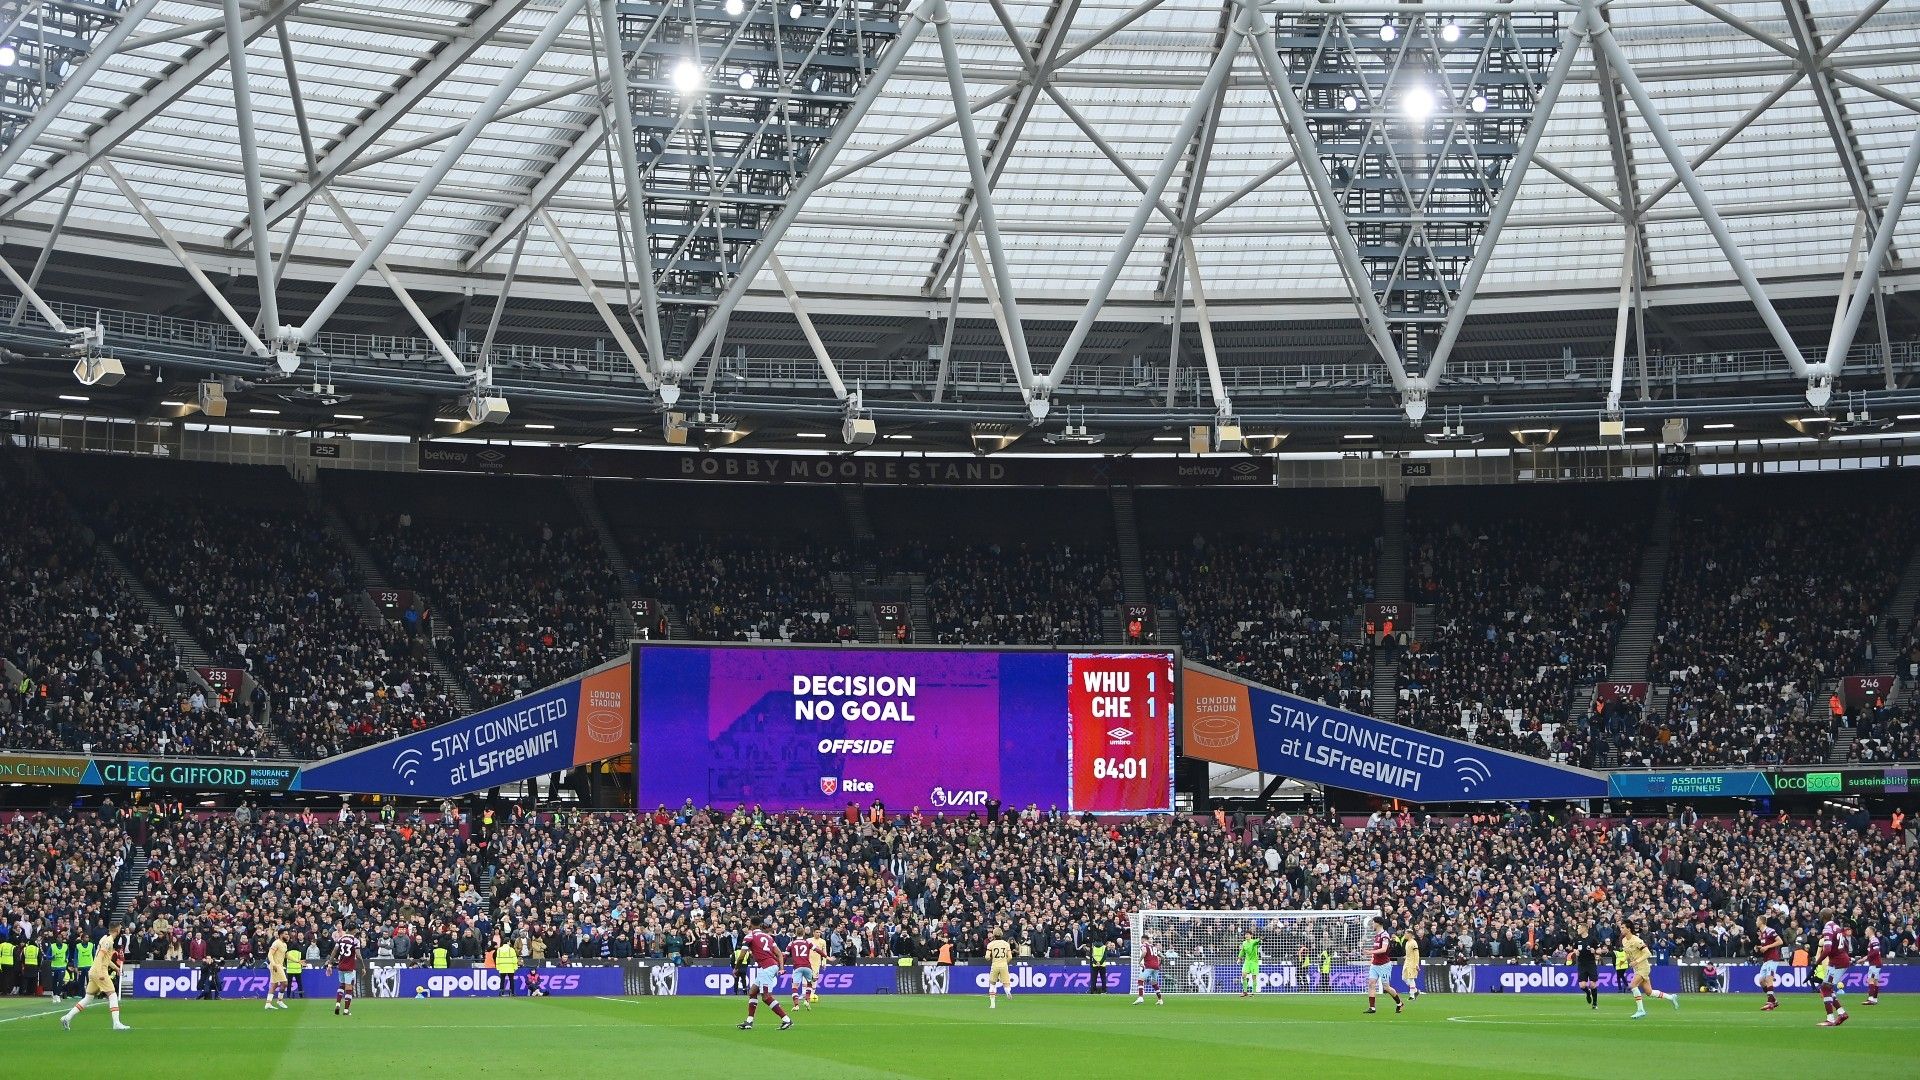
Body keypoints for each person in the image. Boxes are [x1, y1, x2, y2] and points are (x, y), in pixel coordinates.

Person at [60, 923, 130, 1032]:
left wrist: (115, 968)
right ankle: (116, 1023)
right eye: (120, 929)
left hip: (93, 971)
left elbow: (104, 958)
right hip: (99, 971)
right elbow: (99, 958)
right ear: (117, 930)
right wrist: (101, 973)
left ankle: (67, 1017)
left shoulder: (104, 939)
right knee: (112, 995)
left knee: (88, 998)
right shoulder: (109, 941)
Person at [737, 918, 791, 1031]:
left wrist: (736, 968)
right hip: (769, 967)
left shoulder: (749, 936)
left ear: (750, 924)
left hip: (767, 968)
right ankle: (749, 1021)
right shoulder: (768, 936)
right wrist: (781, 968)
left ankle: (786, 1019)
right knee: (752, 992)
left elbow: (742, 956)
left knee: (766, 997)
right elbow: (779, 954)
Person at [1619, 920, 1677, 1019]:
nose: (1621, 929)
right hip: (1636, 968)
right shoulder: (1624, 940)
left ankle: (1641, 1010)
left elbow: (1648, 953)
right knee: (1649, 992)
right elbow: (1628, 953)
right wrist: (1623, 960)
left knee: (1633, 986)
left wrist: (1636, 961)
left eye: (1623, 927)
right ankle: (1671, 997)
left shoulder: (1637, 940)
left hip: (1643, 967)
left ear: (1628, 929)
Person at [1812, 917, 1852, 1028]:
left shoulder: (1828, 928)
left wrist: (1818, 962)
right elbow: (1845, 944)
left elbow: (1827, 949)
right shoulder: (1837, 926)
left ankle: (1830, 1018)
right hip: (1839, 960)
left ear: (1823, 917)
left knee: (1825, 988)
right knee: (1827, 988)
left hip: (1837, 962)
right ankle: (1842, 1013)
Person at [1365, 916, 1403, 1015]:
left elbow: (1384, 949)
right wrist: (1372, 958)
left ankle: (1399, 1003)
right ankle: (1372, 1007)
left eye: (1373, 923)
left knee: (1386, 987)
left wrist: (1370, 952)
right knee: (1371, 983)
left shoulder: (1385, 935)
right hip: (1375, 964)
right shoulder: (1376, 935)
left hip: (1384, 965)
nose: (1372, 925)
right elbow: (1376, 950)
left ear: (1378, 923)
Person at [1753, 915, 1784, 1012]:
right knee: (1761, 981)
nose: (1756, 922)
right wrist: (1759, 947)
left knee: (1768, 979)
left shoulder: (1770, 931)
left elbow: (1780, 941)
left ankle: (1769, 1003)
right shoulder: (1762, 934)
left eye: (1757, 920)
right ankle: (1774, 1000)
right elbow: (1766, 947)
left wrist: (1767, 947)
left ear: (1761, 922)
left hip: (1773, 959)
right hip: (1766, 960)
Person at [329, 927, 360, 1017]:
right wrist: (362, 965)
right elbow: (358, 955)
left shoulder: (340, 938)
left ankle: (338, 1004)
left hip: (341, 966)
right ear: (353, 930)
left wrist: (330, 963)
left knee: (341, 985)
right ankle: (346, 1010)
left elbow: (334, 951)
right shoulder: (355, 940)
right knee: (349, 988)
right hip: (350, 967)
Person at [985, 929, 1013, 1009]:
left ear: (993, 935)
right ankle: (1007, 992)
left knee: (992, 984)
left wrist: (989, 958)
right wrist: (1005, 962)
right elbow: (1010, 957)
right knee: (1006, 983)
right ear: (1002, 934)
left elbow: (987, 957)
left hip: (995, 964)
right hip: (1004, 964)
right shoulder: (1006, 944)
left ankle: (992, 1004)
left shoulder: (990, 944)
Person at [1132, 933, 1163, 1006]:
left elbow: (1144, 952)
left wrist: (1139, 961)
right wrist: (1158, 964)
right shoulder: (1153, 947)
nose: (1140, 941)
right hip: (1156, 967)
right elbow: (1162, 956)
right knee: (1154, 983)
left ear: (1143, 939)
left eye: (1141, 939)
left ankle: (1140, 997)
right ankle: (1160, 1000)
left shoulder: (1143, 945)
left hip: (1149, 966)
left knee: (1140, 979)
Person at [787, 933, 815, 1011]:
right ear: (803, 933)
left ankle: (796, 1005)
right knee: (809, 983)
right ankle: (806, 1000)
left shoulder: (792, 943)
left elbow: (785, 955)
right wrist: (826, 957)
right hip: (807, 966)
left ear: (796, 933)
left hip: (797, 967)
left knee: (795, 987)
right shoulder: (807, 942)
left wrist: (781, 966)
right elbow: (817, 950)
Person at [265, 928, 290, 1011]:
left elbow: (286, 955)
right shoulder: (276, 943)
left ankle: (268, 1004)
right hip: (276, 966)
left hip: (279, 965)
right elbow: (270, 954)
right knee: (285, 983)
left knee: (274, 985)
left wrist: (297, 961)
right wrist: (274, 964)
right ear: (281, 935)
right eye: (286, 934)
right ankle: (279, 1001)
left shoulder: (284, 944)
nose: (287, 935)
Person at [1575, 938, 1600, 1009]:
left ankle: (1594, 1004)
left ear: (1584, 928)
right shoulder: (1577, 939)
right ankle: (1588, 992)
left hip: (1591, 964)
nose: (1578, 929)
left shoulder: (1592, 939)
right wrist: (1576, 951)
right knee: (1582, 985)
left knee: (1592, 985)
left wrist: (1594, 951)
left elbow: (1599, 950)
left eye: (1579, 928)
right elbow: (1574, 948)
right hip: (1581, 964)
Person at [1399, 924, 1421, 1000]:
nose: (1404, 934)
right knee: (1404, 978)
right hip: (1407, 962)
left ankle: (1412, 995)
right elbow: (1409, 952)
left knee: (1411, 978)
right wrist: (1406, 956)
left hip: (1412, 963)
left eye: (1405, 933)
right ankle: (1415, 990)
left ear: (1410, 934)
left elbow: (1416, 954)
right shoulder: (1407, 942)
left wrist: (1416, 964)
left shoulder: (1413, 943)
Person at [1862, 927, 1883, 1006]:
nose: (1865, 932)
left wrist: (1866, 957)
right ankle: (1874, 999)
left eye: (1866, 930)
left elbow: (1876, 951)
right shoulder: (1872, 940)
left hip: (1875, 963)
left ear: (1871, 931)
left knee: (1870, 980)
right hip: (1875, 963)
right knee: (1876, 981)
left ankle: (1870, 999)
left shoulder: (1874, 940)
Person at [1237, 931, 1261, 997]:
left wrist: (1260, 939)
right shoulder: (1244, 943)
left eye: (1248, 934)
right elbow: (1242, 951)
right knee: (1243, 975)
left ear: (1251, 935)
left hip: (1254, 962)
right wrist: (1239, 958)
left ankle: (1253, 992)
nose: (1246, 936)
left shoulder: (1253, 942)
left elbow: (1258, 941)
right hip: (1247, 961)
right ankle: (1245, 992)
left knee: (1254, 977)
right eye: (1245, 934)